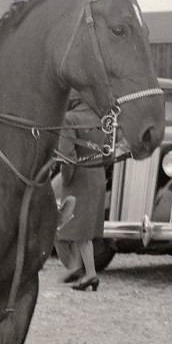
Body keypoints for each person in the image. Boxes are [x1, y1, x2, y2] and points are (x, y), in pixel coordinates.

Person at [54, 97, 109, 291]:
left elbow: (67, 155)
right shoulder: (102, 116)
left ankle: (91, 274)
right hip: (97, 174)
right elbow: (109, 151)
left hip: (80, 175)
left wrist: (67, 179)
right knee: (81, 226)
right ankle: (76, 267)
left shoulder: (69, 118)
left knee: (81, 230)